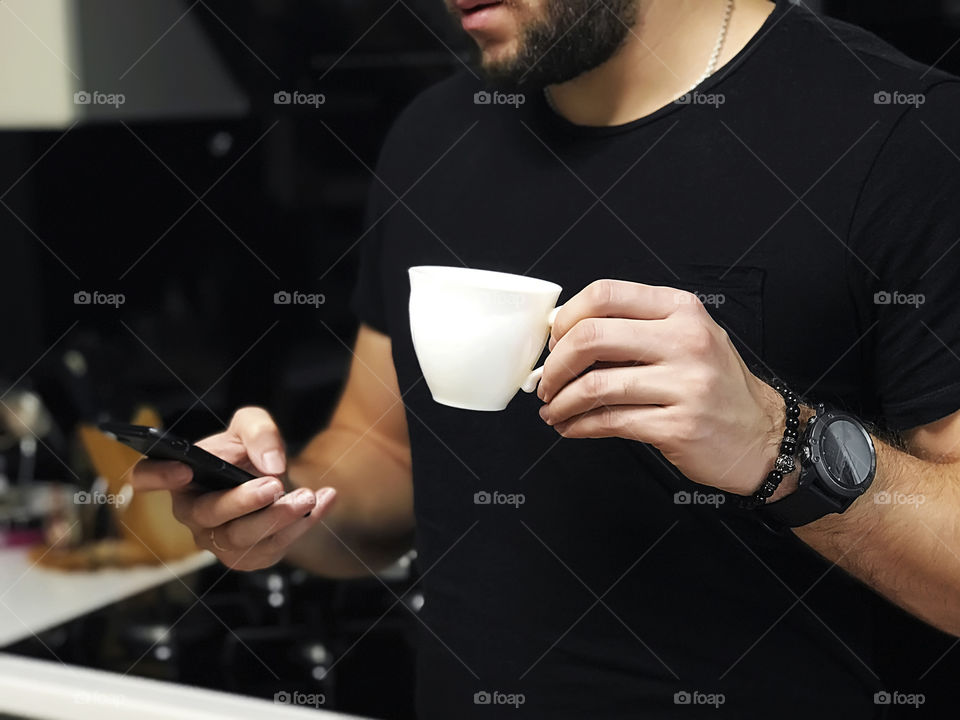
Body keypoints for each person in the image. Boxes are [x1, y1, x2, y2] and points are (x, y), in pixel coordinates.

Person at [134, 0, 960, 716]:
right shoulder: (434, 137)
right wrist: (275, 512)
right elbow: (382, 453)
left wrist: (779, 444)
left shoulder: (907, 137)